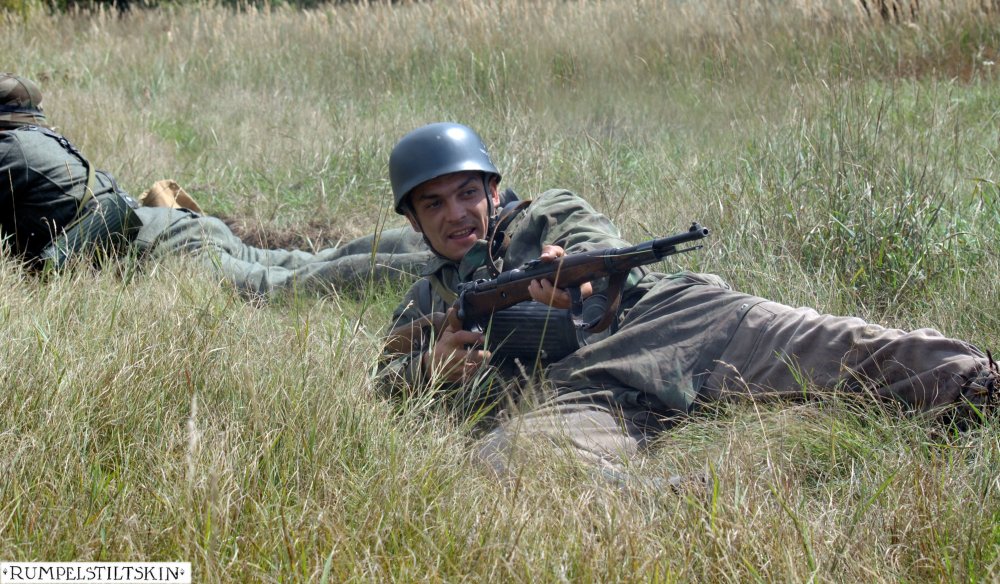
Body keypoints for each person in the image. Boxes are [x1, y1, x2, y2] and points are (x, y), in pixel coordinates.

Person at [379, 122, 998, 483]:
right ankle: (679, 498)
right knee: (507, 460)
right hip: (577, 388)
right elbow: (385, 380)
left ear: (492, 189)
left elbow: (600, 246)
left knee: (837, 345)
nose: (456, 213)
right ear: (413, 220)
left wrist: (573, 276)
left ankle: (972, 383)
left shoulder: (547, 214)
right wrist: (431, 369)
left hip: (670, 321)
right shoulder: (428, 298)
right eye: (434, 204)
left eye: (467, 193)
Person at [0, 72, 430, 296]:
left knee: (291, 289)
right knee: (314, 259)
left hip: (164, 255)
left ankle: (439, 268)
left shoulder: (9, 150)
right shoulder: (41, 140)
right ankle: (429, 244)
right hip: (178, 228)